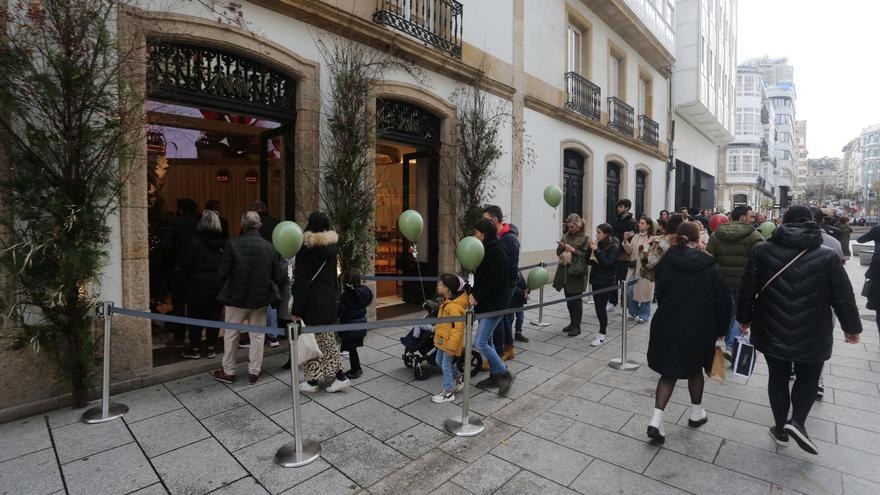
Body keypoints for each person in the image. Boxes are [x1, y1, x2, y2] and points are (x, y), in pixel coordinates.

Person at [738, 205, 862, 455]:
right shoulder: (827, 255)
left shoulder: (762, 250)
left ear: (784, 222)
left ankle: (780, 429)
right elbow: (843, 296)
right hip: (814, 328)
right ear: (811, 223)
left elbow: (748, 287)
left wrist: (744, 318)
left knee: (778, 377)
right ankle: (799, 423)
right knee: (808, 377)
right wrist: (852, 328)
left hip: (771, 324)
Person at [646, 222, 731, 445]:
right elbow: (723, 303)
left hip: (667, 323)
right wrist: (722, 333)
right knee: (694, 370)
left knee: (668, 372)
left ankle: (656, 419)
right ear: (698, 238)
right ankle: (696, 413)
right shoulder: (711, 267)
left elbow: (661, 294)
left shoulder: (666, 262)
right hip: (700, 326)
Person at [211, 211, 286, 385]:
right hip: (260, 299)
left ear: (242, 226)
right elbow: (278, 275)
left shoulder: (232, 244)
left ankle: (229, 372)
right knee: (258, 335)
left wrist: (221, 291)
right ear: (259, 226)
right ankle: (255, 371)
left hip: (236, 298)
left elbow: (222, 272)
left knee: (231, 335)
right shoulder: (269, 247)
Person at [293, 212, 351, 393]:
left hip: (311, 303)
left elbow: (303, 281)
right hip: (327, 301)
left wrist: (297, 309)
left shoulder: (306, 248)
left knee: (314, 343)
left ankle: (336, 377)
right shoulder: (331, 247)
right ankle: (316, 379)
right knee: (324, 342)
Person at [705, 205, 763, 358]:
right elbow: (759, 262)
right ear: (743, 218)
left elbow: (708, 258)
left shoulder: (717, 234)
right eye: (751, 216)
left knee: (723, 312)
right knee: (740, 314)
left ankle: (718, 343)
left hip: (721, 282)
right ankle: (731, 346)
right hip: (745, 284)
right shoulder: (754, 236)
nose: (754, 219)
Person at [471, 219, 515, 396]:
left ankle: (504, 372)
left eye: (477, 233)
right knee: (487, 341)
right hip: (485, 304)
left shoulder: (496, 251)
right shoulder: (484, 250)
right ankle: (495, 375)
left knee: (480, 342)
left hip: (494, 304)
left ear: (484, 234)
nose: (474, 236)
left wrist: (477, 295)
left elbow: (496, 281)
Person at [181, 210, 226, 359]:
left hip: (196, 287)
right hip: (216, 288)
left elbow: (186, 265)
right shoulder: (223, 244)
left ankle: (195, 349)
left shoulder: (193, 242)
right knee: (213, 318)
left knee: (195, 318)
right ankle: (211, 348)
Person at [482, 205, 523, 359]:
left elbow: (511, 266)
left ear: (494, 220)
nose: (483, 223)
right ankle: (508, 346)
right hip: (501, 284)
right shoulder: (497, 236)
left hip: (506, 285)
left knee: (498, 318)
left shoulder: (509, 238)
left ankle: (499, 353)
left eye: (485, 220)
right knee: (503, 316)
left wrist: (502, 286)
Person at [163, 198, 200, 348]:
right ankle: (195, 338)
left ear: (180, 209)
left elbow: (165, 243)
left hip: (179, 268)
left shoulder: (176, 223)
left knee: (178, 305)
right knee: (194, 305)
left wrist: (171, 258)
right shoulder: (200, 222)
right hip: (197, 268)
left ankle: (179, 337)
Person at [431, 274, 469, 403]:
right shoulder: (448, 301)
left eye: (440, 284)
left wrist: (451, 347)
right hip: (444, 339)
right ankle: (459, 376)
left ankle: (448, 392)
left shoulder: (453, 307)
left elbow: (457, 329)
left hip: (449, 343)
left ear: (447, 289)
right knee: (439, 361)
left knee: (445, 365)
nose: (438, 286)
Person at [552, 214, 589, 336]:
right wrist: (562, 247)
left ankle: (577, 326)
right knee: (568, 298)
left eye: (572, 227)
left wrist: (572, 250)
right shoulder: (566, 236)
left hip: (577, 272)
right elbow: (558, 252)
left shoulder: (585, 238)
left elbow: (585, 256)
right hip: (565, 272)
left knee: (576, 300)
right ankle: (572, 323)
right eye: (568, 227)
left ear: (579, 225)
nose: (570, 229)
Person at [586, 224, 621, 346]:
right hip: (596, 279)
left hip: (606, 281)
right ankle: (602, 331)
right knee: (598, 307)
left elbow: (607, 263)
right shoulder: (599, 243)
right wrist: (590, 249)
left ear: (606, 234)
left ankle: (602, 334)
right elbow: (588, 261)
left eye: (599, 232)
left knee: (601, 308)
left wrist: (597, 250)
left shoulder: (614, 245)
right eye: (596, 232)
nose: (596, 234)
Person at [338, 270, 373, 379]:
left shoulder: (347, 296)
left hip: (350, 329)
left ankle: (355, 370)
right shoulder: (363, 293)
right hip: (360, 327)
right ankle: (356, 369)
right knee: (352, 349)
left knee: (351, 349)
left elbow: (341, 312)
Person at [622, 215, 654, 324]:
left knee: (645, 292)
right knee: (630, 289)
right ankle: (633, 311)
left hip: (646, 269)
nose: (639, 225)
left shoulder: (652, 238)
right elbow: (630, 250)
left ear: (648, 225)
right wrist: (625, 240)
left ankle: (644, 315)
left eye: (642, 223)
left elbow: (650, 254)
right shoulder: (636, 236)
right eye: (639, 223)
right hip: (633, 267)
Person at [610, 199, 637, 309]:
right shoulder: (615, 220)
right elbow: (611, 234)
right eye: (618, 206)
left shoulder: (632, 222)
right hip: (614, 253)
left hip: (625, 255)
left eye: (621, 206)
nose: (618, 208)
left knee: (623, 280)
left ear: (627, 208)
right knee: (613, 279)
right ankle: (612, 302)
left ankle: (624, 304)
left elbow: (630, 238)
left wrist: (618, 237)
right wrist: (620, 236)